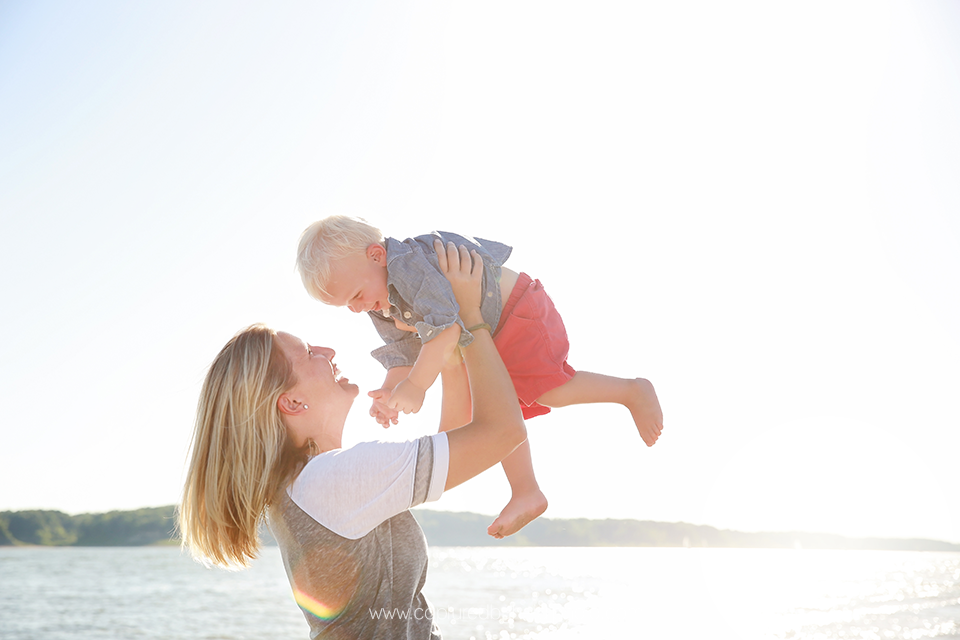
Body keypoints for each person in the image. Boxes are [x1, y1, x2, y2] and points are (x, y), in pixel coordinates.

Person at [178, 243, 526, 639]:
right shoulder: (333, 480)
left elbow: (458, 438)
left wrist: (442, 341)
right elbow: (503, 433)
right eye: (309, 353)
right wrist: (469, 317)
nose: (328, 350)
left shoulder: (308, 485)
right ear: (292, 402)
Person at [296, 216, 665, 539]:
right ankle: (526, 490)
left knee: (547, 391)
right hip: (485, 329)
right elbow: (402, 352)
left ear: (377, 256)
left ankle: (631, 391)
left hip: (515, 309)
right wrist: (393, 392)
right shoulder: (381, 299)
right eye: (348, 305)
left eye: (357, 295)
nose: (358, 307)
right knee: (498, 405)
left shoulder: (408, 267)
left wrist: (417, 386)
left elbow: (444, 331)